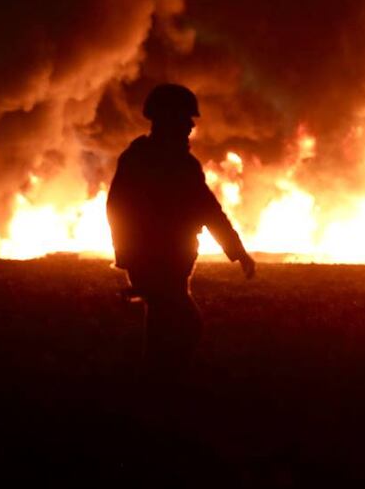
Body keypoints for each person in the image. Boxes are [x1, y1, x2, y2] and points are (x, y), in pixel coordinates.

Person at [107, 83, 256, 378]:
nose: (190, 125)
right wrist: (128, 254)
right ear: (166, 118)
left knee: (165, 320)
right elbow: (119, 209)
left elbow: (208, 210)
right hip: (154, 259)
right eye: (185, 118)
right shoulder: (147, 161)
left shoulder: (177, 163)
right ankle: (165, 382)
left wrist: (236, 250)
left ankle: (159, 381)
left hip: (172, 260)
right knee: (185, 323)